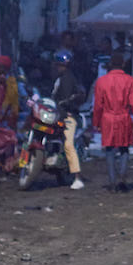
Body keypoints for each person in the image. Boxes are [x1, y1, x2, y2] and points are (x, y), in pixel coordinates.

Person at [92, 51, 133, 192]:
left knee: (110, 150)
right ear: (123, 64)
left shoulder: (101, 81)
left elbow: (98, 105)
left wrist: (96, 123)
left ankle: (112, 182)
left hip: (107, 118)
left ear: (110, 65)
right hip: (124, 117)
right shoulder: (130, 80)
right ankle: (122, 178)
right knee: (124, 148)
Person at [50, 49, 88, 191]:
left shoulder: (69, 79)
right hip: (57, 115)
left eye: (60, 65)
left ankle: (78, 177)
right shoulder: (60, 79)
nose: (58, 67)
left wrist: (66, 106)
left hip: (68, 117)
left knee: (68, 144)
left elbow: (71, 99)